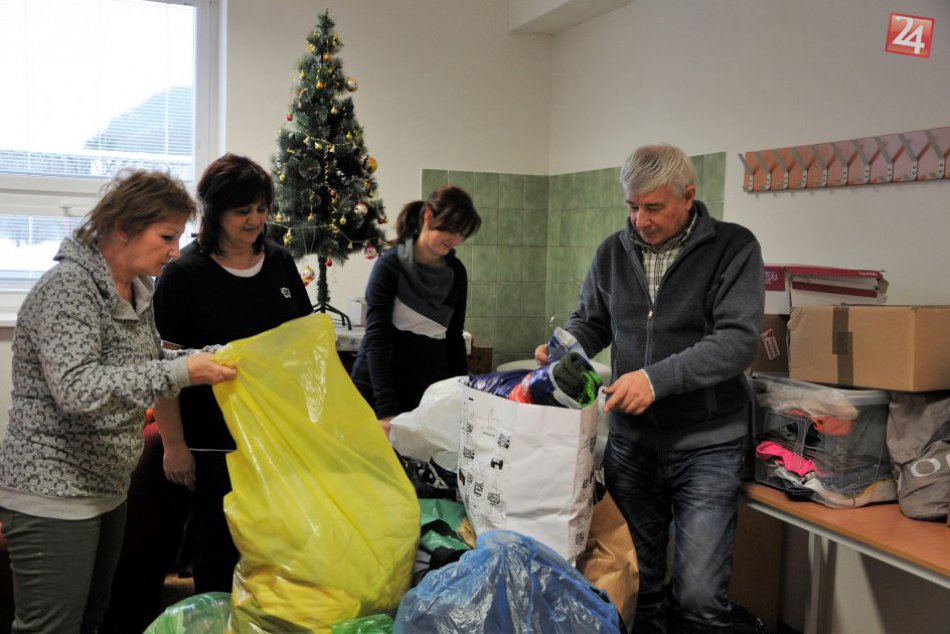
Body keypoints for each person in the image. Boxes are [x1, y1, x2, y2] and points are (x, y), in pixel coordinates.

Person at [535, 144, 764, 633]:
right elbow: (591, 321)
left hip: (706, 447)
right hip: (632, 446)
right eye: (633, 207)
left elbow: (737, 342)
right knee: (642, 587)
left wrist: (654, 380)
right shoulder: (612, 253)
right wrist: (562, 346)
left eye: (654, 207)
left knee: (700, 597)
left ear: (689, 196)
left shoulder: (734, 247)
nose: (640, 220)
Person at [0, 169, 236, 634]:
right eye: (166, 236)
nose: (174, 251)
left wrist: (207, 358)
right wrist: (184, 372)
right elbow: (78, 389)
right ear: (123, 228)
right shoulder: (69, 288)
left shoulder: (136, 289)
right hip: (53, 492)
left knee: (92, 617)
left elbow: (150, 360)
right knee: (52, 626)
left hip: (105, 487)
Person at [151, 153, 313, 594]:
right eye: (243, 210)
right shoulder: (183, 274)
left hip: (274, 435)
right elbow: (162, 370)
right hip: (211, 440)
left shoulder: (279, 264)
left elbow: (301, 347)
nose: (255, 219)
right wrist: (174, 444)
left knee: (271, 546)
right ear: (214, 212)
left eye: (262, 208)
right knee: (216, 549)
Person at [350, 186, 481, 430]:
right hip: (378, 387)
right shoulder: (390, 265)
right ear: (428, 216)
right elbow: (377, 339)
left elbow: (453, 339)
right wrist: (387, 412)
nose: (456, 239)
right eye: (451, 229)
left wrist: (462, 398)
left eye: (462, 233)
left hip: (425, 388)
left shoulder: (457, 273)